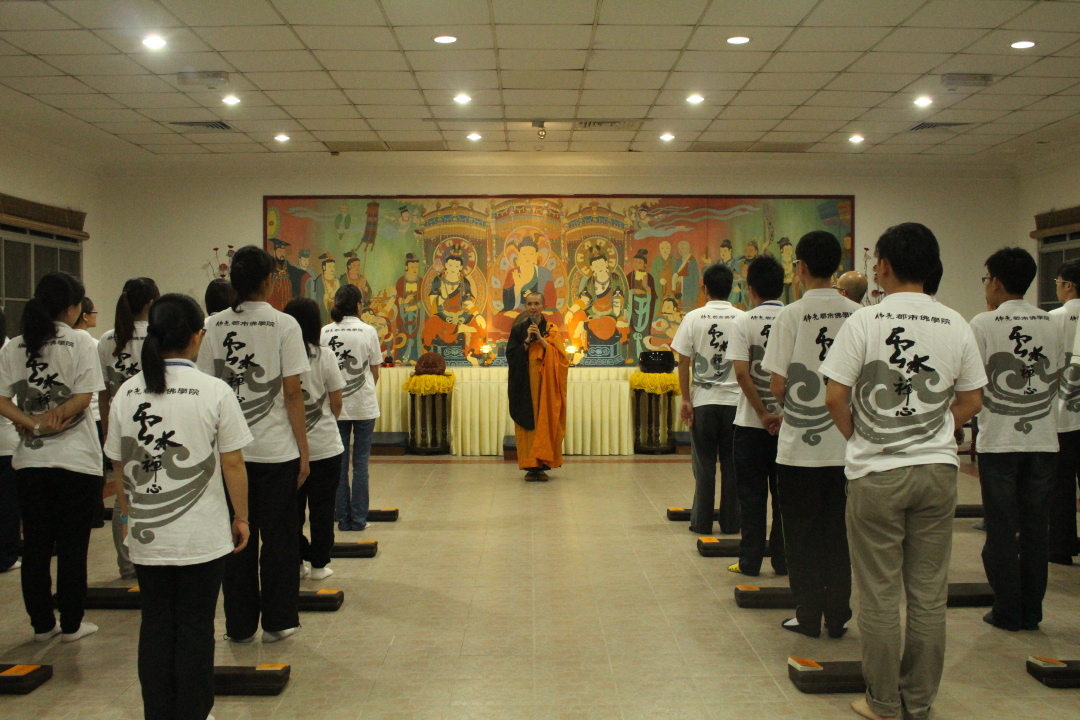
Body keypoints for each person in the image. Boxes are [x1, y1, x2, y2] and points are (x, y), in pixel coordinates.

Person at [821, 223, 985, 720]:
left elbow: (834, 396)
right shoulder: (956, 322)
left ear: (885, 266)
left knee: (878, 592)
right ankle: (919, 699)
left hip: (877, 474)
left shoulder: (865, 321)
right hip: (938, 471)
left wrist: (862, 437)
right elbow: (972, 399)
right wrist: (935, 428)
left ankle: (883, 702)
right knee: (928, 593)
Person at [105, 293, 251, 720]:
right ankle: (192, 711)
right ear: (196, 337)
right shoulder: (214, 391)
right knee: (195, 625)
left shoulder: (128, 391)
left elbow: (119, 465)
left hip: (148, 534)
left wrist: (129, 515)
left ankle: (159, 711)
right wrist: (241, 517)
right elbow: (233, 462)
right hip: (200, 536)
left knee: (155, 624)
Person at [198, 245, 310, 644]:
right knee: (280, 540)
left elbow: (206, 387)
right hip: (276, 450)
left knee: (237, 537)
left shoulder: (212, 326)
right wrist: (304, 451)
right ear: (269, 281)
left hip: (230, 454)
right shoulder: (284, 325)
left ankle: (239, 625)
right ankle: (278, 621)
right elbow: (293, 393)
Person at [761, 231, 859, 638]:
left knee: (800, 534)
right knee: (839, 533)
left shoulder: (791, 314)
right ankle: (838, 615)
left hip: (800, 448)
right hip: (847, 446)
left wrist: (801, 409)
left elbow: (778, 384)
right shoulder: (859, 313)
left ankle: (807, 615)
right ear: (837, 266)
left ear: (799, 267)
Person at [0, 271, 104, 643]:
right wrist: (52, 421)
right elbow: (84, 397)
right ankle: (72, 624)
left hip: (30, 462)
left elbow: (2, 399)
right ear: (73, 307)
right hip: (76, 461)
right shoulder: (80, 341)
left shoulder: (15, 345)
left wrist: (32, 423)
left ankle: (42, 625)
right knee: (73, 547)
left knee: (37, 545)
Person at [969, 247, 1063, 632]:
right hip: (1043, 438)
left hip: (999, 440)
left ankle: (1007, 609)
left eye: (986, 279)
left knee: (1002, 528)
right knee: (1036, 529)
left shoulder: (983, 323)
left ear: (996, 282)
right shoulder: (1051, 322)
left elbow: (973, 381)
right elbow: (1055, 375)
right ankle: (1031, 611)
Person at [672, 263, 743, 535]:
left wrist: (686, 399)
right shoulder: (742, 318)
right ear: (730, 289)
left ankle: (701, 522)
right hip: (735, 404)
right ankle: (731, 523)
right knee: (732, 467)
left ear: (704, 289)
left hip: (703, 401)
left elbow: (683, 361)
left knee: (704, 466)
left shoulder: (693, 318)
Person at [727, 256, 787, 577]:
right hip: (788, 426)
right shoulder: (793, 318)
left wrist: (763, 414)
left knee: (751, 497)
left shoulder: (744, 321)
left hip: (751, 425)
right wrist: (779, 414)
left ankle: (749, 563)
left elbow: (741, 373)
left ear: (751, 289)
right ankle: (783, 561)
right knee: (783, 498)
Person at [99, 277, 160, 580]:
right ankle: (153, 557)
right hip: (155, 423)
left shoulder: (107, 339)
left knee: (123, 495)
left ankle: (126, 563)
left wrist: (106, 430)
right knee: (155, 488)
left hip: (119, 425)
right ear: (151, 303)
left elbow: (102, 393)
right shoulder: (157, 335)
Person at [284, 298, 345, 581]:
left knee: (291, 510)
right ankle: (319, 565)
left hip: (289, 446)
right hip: (325, 446)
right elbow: (336, 401)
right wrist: (326, 420)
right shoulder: (325, 355)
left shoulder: (280, 355)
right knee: (322, 508)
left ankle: (295, 562)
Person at [321, 285, 381, 531]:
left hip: (335, 407)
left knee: (339, 465)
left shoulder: (325, 332)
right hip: (364, 405)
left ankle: (342, 519)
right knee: (361, 465)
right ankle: (359, 520)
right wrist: (362, 389)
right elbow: (375, 371)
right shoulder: (368, 331)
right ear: (358, 305)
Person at [506, 292, 569, 481]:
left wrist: (541, 339)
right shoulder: (518, 329)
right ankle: (530, 466)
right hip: (525, 384)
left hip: (545, 385)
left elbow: (561, 358)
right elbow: (511, 357)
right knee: (528, 423)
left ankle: (542, 467)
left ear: (543, 306)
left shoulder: (551, 329)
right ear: (525, 306)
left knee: (545, 420)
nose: (533, 307)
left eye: (536, 303)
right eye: (529, 304)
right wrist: (527, 340)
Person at [1049, 258, 1080, 565]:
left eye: (1058, 283)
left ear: (1069, 285)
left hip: (1062, 415)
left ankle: (1060, 546)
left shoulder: (1054, 318)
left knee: (1061, 485)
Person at [73, 297, 106, 528]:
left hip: (76, 412)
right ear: (84, 316)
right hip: (92, 412)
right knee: (95, 466)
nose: (96, 315)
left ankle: (90, 512)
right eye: (93, 311)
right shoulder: (91, 343)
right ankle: (95, 513)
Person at [0, 307, 21, 573]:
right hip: (9, 439)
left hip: (8, 439)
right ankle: (6, 555)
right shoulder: (13, 350)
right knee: (7, 504)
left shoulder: (12, 350)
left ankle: (6, 555)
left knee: (7, 505)